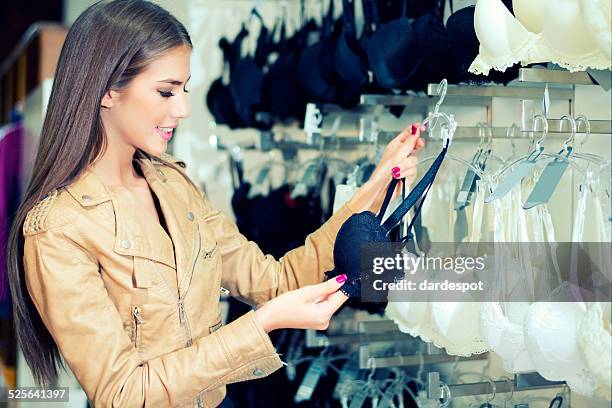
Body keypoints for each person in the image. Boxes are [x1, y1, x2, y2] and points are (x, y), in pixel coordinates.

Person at [4, 1, 425, 407]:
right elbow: (123, 394)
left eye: (184, 89)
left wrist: (377, 181)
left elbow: (276, 281)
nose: (183, 109)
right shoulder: (57, 228)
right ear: (108, 90)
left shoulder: (173, 185)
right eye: (166, 92)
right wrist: (260, 325)